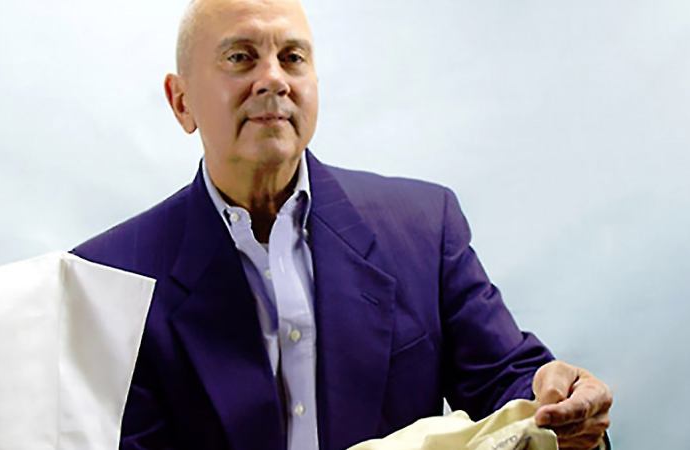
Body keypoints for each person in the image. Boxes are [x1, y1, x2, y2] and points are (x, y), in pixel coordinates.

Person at [72, 0, 613, 449]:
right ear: (181, 101)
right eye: (240, 57)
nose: (273, 79)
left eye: (292, 58)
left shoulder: (426, 228)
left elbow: (508, 385)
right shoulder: (107, 281)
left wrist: (563, 407)